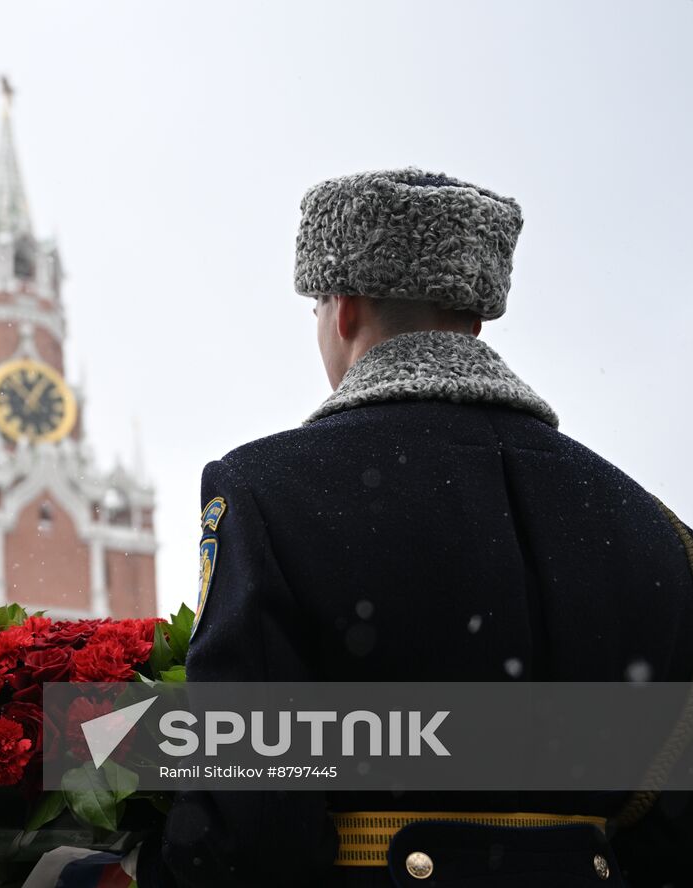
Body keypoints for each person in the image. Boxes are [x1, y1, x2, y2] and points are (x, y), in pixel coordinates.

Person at [138, 169, 693, 887]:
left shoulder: (271, 491)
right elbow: (671, 820)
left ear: (343, 311)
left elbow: (252, 820)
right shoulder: (648, 524)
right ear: (476, 318)